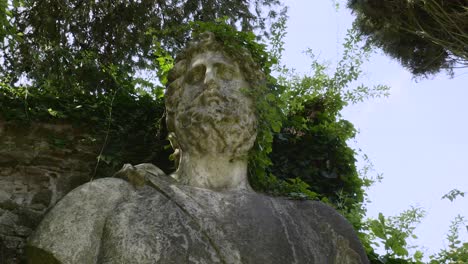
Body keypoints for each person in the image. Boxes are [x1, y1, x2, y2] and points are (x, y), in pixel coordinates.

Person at [27, 32, 369, 264]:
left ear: (255, 105)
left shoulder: (322, 230)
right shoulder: (99, 204)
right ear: (173, 112)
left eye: (225, 73)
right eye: (195, 76)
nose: (209, 82)